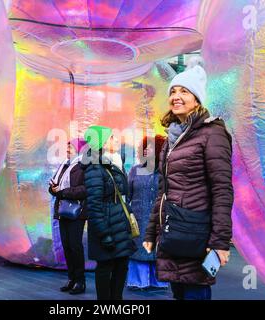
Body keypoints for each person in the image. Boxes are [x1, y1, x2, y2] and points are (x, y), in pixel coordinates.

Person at [143, 58, 234, 300]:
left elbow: (222, 190)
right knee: (179, 292)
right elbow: (163, 191)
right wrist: (152, 233)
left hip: (195, 234)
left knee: (195, 290)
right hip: (173, 232)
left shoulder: (212, 133)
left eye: (184, 91)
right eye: (173, 91)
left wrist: (220, 242)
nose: (176, 96)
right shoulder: (173, 137)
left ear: (197, 99)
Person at [81, 125, 136, 300]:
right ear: (102, 142)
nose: (117, 140)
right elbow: (94, 204)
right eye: (112, 137)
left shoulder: (113, 163)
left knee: (121, 266)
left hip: (119, 224)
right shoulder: (95, 167)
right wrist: (104, 234)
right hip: (108, 226)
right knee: (105, 267)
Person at [126, 135, 168, 289]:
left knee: (158, 250)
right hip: (138, 219)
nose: (147, 149)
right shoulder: (135, 170)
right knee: (138, 250)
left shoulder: (165, 171)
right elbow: (127, 195)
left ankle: (159, 281)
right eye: (145, 147)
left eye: (150, 147)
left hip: (159, 219)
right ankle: (138, 281)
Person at [49, 138, 88, 295]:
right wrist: (54, 189)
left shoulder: (83, 166)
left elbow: (85, 189)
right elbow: (54, 186)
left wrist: (62, 192)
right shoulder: (64, 165)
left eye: (70, 147)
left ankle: (80, 281)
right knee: (66, 245)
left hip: (76, 212)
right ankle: (71, 278)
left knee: (75, 246)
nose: (67, 150)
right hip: (63, 210)